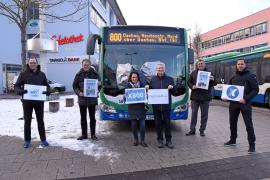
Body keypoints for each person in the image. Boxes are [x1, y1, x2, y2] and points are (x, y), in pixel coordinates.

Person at [223, 59, 259, 153]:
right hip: (233, 104)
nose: (240, 66)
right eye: (238, 64)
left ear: (245, 65)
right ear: (236, 65)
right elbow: (229, 89)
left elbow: (256, 90)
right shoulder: (233, 76)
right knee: (232, 123)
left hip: (245, 104)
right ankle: (233, 140)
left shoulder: (250, 76)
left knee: (249, 125)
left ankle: (252, 145)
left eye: (242, 64)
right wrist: (226, 97)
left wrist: (246, 99)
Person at [14, 57, 51, 148]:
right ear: (28, 64)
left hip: (39, 102)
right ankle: (27, 140)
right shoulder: (23, 74)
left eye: (34, 63)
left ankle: (43, 139)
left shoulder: (42, 74)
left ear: (37, 64)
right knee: (27, 122)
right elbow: (16, 86)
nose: (32, 64)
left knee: (40, 121)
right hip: (27, 102)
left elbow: (47, 86)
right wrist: (20, 91)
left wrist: (47, 91)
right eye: (31, 63)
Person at [146, 63, 175, 149]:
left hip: (166, 106)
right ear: (156, 70)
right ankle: (160, 140)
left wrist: (172, 87)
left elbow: (174, 91)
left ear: (164, 69)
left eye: (162, 69)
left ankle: (169, 140)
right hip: (156, 106)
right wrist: (148, 88)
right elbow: (150, 91)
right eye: (159, 69)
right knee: (158, 124)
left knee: (167, 123)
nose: (160, 70)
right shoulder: (152, 79)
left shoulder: (170, 79)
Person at [186, 59, 217, 136]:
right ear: (197, 65)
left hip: (205, 98)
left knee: (204, 115)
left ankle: (202, 130)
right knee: (193, 115)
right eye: (199, 64)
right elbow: (188, 82)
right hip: (195, 98)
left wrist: (213, 80)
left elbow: (214, 83)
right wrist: (192, 86)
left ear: (204, 65)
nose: (200, 65)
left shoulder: (209, 73)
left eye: (202, 64)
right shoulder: (193, 73)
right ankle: (192, 130)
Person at [73, 59, 100, 140]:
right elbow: (74, 86)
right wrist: (79, 93)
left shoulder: (95, 74)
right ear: (82, 65)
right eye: (84, 65)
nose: (86, 66)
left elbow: (100, 84)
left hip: (92, 100)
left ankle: (93, 135)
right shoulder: (78, 74)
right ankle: (84, 134)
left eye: (87, 65)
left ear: (90, 65)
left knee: (92, 118)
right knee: (83, 118)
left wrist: (98, 87)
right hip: (82, 99)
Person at [126, 71, 148, 147]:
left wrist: (146, 90)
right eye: (133, 77)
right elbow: (125, 97)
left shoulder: (142, 85)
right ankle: (135, 139)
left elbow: (146, 96)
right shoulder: (127, 86)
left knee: (142, 125)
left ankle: (142, 140)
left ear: (138, 78)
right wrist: (125, 96)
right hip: (132, 108)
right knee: (134, 125)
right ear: (130, 78)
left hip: (141, 107)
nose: (134, 78)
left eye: (135, 77)